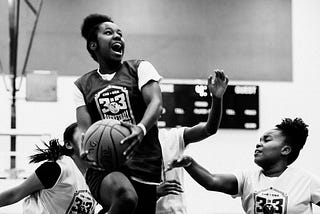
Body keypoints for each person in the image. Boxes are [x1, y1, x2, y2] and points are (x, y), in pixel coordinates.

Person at [73, 14, 163, 214]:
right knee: (126, 196)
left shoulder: (140, 68)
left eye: (120, 34)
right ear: (93, 45)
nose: (117, 37)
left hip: (145, 165)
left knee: (133, 204)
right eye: (108, 32)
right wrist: (84, 148)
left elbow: (156, 103)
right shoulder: (83, 84)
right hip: (105, 164)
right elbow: (83, 129)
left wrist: (141, 128)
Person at [167, 118, 320, 214]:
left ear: (285, 150)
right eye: (260, 140)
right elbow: (211, 181)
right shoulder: (247, 178)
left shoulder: (306, 181)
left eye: (267, 140)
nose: (259, 144)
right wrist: (189, 163)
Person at [156, 70, 229, 214]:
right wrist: (154, 192)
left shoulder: (172, 137)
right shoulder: (128, 143)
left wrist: (217, 99)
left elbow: (209, 129)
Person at [0, 123, 96, 214]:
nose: (89, 140)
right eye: (84, 136)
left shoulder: (94, 178)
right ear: (69, 145)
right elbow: (15, 194)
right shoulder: (57, 168)